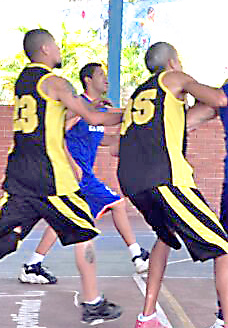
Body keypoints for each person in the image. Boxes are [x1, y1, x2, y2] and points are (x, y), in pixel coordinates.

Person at [0, 29, 124, 328]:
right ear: (43, 48)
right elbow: (94, 117)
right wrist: (134, 113)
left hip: (19, 172)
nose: (58, 49)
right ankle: (93, 303)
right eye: (54, 44)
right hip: (51, 176)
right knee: (86, 233)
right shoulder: (55, 82)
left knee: (8, 239)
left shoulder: (23, 81)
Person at [118, 41, 228, 328]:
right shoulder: (174, 78)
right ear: (174, 62)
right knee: (224, 246)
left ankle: (147, 319)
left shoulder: (141, 98)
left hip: (133, 182)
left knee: (164, 238)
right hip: (168, 180)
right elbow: (219, 98)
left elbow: (123, 142)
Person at [18, 61, 150, 285]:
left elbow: (101, 139)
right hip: (74, 175)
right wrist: (73, 166)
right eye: (101, 75)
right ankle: (137, 255)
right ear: (88, 80)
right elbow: (56, 134)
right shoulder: (77, 107)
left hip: (82, 174)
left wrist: (128, 138)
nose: (106, 79)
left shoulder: (99, 110)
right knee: (117, 203)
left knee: (63, 219)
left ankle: (33, 265)